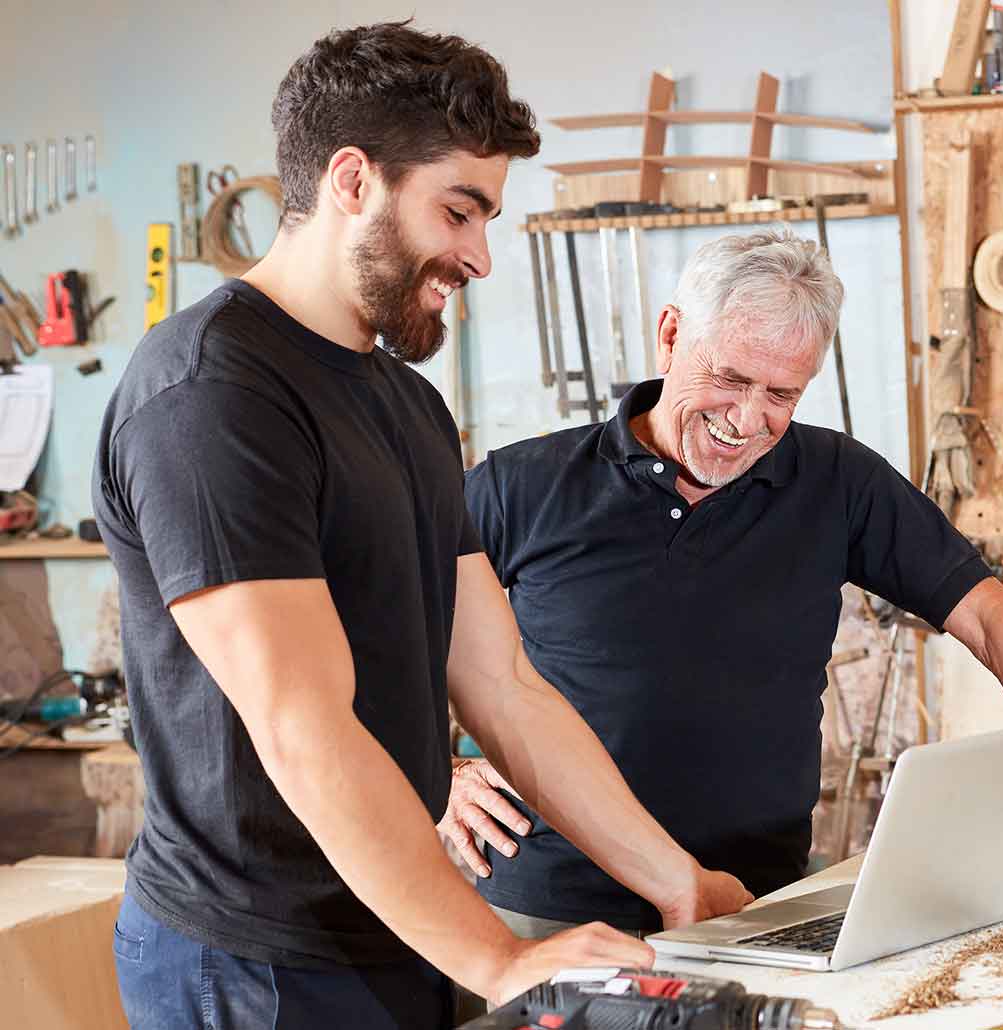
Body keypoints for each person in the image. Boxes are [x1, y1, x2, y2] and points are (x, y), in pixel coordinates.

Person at [91, 23, 748, 1028]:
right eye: (459, 211)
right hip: (251, 961)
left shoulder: (406, 407)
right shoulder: (212, 396)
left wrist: (677, 879)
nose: (480, 256)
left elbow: (503, 685)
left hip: (392, 924)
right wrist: (498, 961)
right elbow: (304, 726)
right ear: (351, 180)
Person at [440, 230, 1003, 940]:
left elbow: (987, 611)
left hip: (755, 905)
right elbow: (375, 635)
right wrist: (434, 774)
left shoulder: (837, 481)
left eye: (782, 393)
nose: (748, 421)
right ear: (670, 334)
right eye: (728, 378)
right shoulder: (519, 485)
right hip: (547, 908)